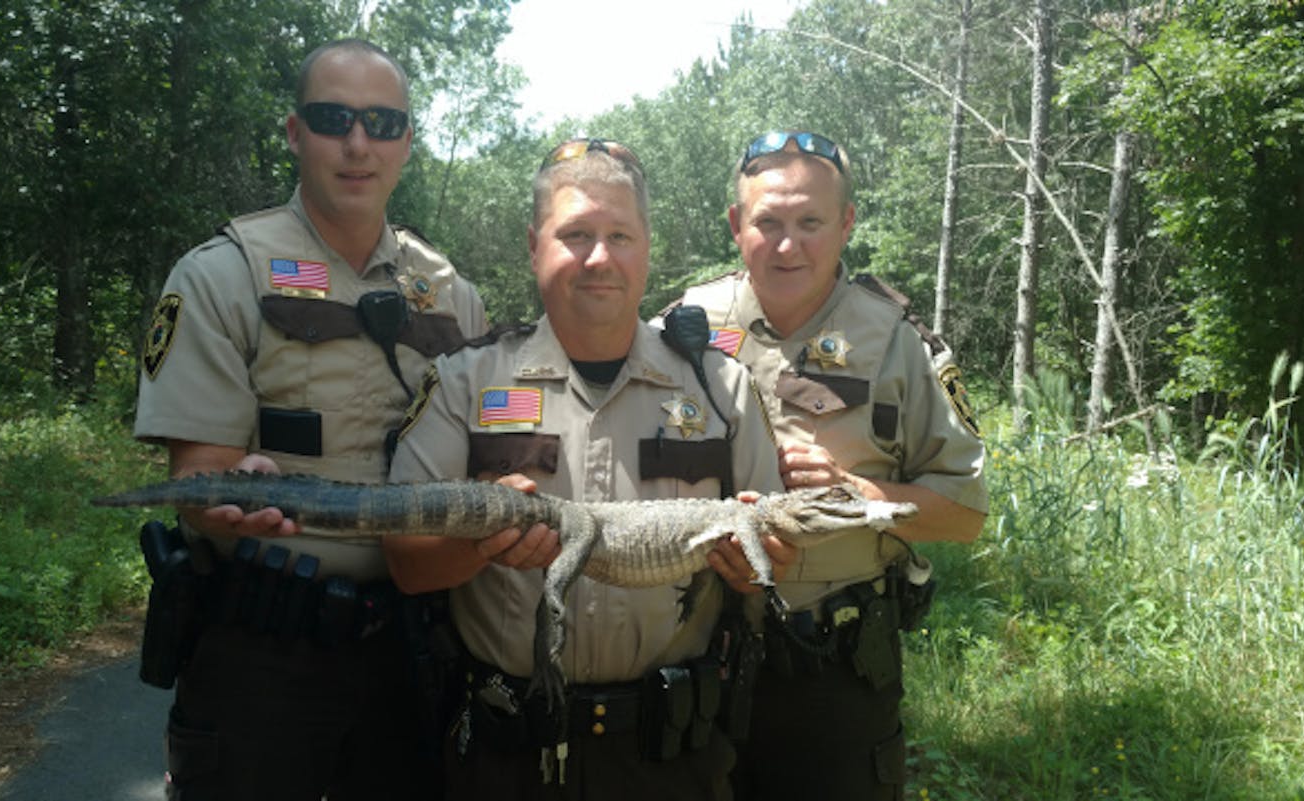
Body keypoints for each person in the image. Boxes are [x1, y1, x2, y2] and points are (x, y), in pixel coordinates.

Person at [131, 39, 486, 800]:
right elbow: (198, 479)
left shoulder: (453, 294)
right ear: (295, 133)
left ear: (407, 144)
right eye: (334, 119)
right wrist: (229, 503)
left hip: (412, 651)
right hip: (264, 652)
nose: (359, 143)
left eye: (382, 123)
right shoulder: (223, 274)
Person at [383, 138, 788, 801]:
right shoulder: (463, 381)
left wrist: (756, 571)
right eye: (575, 234)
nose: (600, 257)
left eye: (620, 235)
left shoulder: (723, 390)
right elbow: (405, 561)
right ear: (533, 243)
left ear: (648, 245)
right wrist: (476, 547)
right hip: (505, 755)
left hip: (670, 758)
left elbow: (772, 561)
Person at [672, 130, 988, 800]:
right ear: (736, 225)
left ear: (846, 223)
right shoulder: (684, 325)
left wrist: (853, 490)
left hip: (831, 675)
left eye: (811, 222)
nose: (788, 245)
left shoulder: (900, 344)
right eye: (768, 222)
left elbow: (964, 514)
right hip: (693, 656)